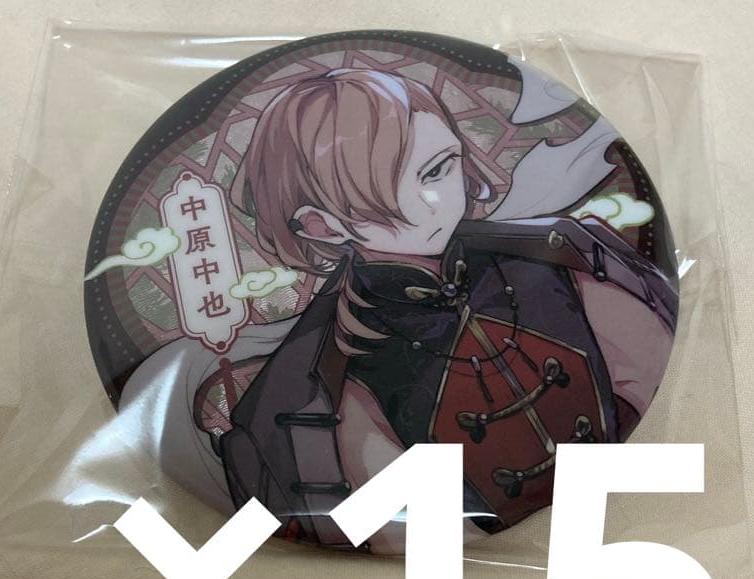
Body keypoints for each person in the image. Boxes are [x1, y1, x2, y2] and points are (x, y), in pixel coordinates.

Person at [217, 67, 677, 553]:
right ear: (323, 226)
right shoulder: (325, 375)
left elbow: (641, 363)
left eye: (441, 167)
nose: (439, 198)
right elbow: (394, 520)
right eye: (394, 186)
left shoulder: (558, 255)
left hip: (642, 503)